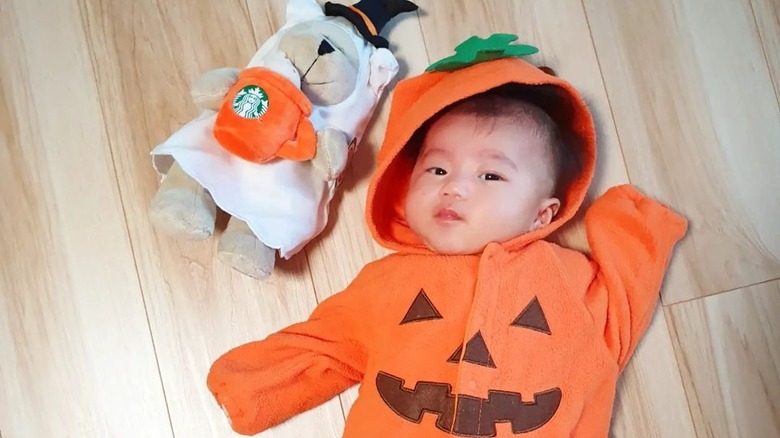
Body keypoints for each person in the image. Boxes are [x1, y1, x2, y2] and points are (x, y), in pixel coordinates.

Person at [206, 49, 688, 437]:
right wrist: (250, 385)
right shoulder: (389, 283)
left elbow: (625, 299)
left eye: (491, 174)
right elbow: (328, 345)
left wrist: (638, 227)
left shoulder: (571, 282)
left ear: (543, 213)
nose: (454, 187)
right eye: (437, 169)